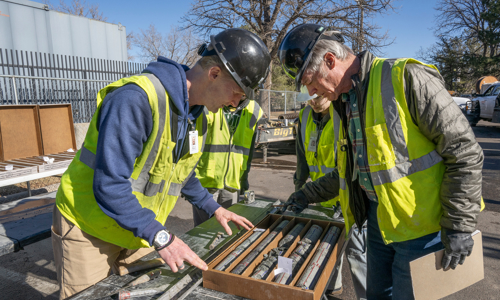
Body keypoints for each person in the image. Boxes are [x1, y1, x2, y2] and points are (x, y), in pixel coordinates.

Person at [51, 28, 271, 299]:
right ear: (214, 73)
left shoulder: (198, 115)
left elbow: (182, 173)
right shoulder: (135, 99)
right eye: (237, 92)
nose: (236, 103)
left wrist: (214, 209)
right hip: (89, 227)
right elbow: (109, 184)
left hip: (137, 229)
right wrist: (162, 237)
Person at [279, 24, 484, 299]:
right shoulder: (343, 103)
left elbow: (464, 151)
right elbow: (348, 172)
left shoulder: (405, 76)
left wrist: (459, 223)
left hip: (423, 230)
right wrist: (306, 194)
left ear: (330, 60)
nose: (312, 92)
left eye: (311, 81)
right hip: (379, 225)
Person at [295, 93, 367, 299]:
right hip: (318, 199)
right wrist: (298, 189)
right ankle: (332, 289)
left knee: (357, 253)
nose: (313, 102)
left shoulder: (344, 114)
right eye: (309, 98)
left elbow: (347, 168)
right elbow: (302, 155)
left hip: (346, 199)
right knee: (326, 250)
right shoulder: (306, 115)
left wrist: (307, 192)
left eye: (317, 97)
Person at [193, 98, 263, 226]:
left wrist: (244, 177)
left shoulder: (254, 109)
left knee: (229, 229)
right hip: (206, 180)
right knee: (204, 229)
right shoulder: (210, 99)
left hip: (233, 181)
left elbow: (249, 149)